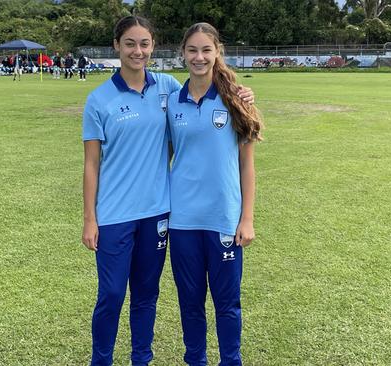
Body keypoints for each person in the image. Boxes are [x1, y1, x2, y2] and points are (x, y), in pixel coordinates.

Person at [81, 16, 255, 366]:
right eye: (130, 43)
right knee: (116, 295)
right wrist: (89, 218)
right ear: (117, 45)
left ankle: (144, 360)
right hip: (140, 216)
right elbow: (92, 164)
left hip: (174, 214)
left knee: (157, 296)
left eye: (144, 44)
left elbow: (240, 158)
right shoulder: (119, 99)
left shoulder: (182, 92)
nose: (137, 50)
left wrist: (241, 92)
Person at [166, 23, 264, 366]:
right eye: (192, 50)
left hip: (223, 220)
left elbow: (246, 166)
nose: (199, 57)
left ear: (217, 52)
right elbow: (163, 156)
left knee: (227, 303)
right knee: (190, 303)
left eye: (206, 50)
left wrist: (247, 218)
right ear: (182, 54)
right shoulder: (172, 102)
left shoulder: (235, 100)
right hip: (182, 222)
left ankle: (231, 361)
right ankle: (195, 360)